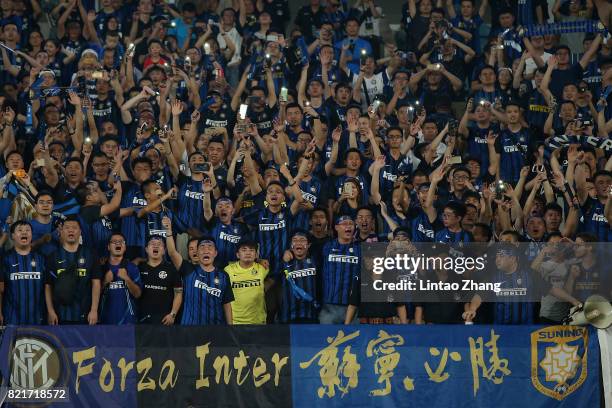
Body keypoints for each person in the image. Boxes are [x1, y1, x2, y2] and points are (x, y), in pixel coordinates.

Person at [45, 216, 102, 325]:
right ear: (61, 231)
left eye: (74, 228)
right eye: (67, 228)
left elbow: (96, 283)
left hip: (85, 315)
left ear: (80, 232)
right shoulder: (53, 256)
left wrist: (94, 310)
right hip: (60, 315)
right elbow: (48, 286)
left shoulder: (91, 254)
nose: (71, 230)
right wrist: (51, 311)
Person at [0, 221, 47, 325]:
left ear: (32, 235)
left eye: (27, 230)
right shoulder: (5, 259)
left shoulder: (42, 258)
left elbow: (48, 288)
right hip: (11, 318)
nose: (24, 233)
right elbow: (1, 290)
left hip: (38, 318)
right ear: (12, 236)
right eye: (20, 230)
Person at [319, 215, 361, 324]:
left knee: (354, 340)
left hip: (354, 307)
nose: (348, 226)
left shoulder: (361, 248)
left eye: (351, 224)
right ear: (336, 227)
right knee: (327, 339)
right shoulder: (326, 247)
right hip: (330, 306)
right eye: (344, 224)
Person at [137, 235, 182, 325]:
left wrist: (172, 315)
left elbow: (178, 293)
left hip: (164, 320)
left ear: (164, 251)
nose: (156, 246)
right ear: (146, 249)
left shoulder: (171, 269)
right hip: (141, 320)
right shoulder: (138, 269)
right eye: (152, 244)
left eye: (159, 244)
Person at [99, 233, 143, 325]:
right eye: (114, 242)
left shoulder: (132, 268)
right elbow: (92, 295)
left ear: (125, 247)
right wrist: (105, 282)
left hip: (128, 322)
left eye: (121, 242)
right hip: (104, 322)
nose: (118, 243)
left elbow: (138, 294)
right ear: (108, 247)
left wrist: (127, 279)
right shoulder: (101, 267)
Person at [224, 239, 270, 325]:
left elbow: (275, 277)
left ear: (256, 255)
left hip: (258, 322)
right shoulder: (228, 270)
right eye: (244, 250)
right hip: (235, 322)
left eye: (251, 250)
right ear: (238, 254)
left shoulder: (263, 268)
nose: (248, 253)